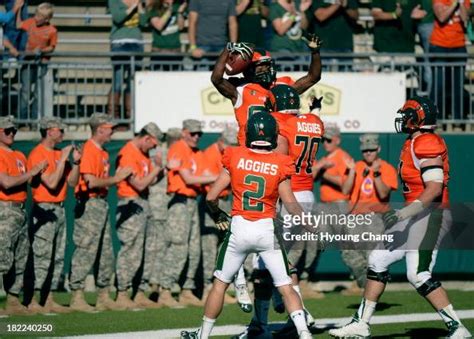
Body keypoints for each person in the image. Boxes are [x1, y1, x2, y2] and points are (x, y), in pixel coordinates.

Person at [329, 96, 472, 339]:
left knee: (417, 274)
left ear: (418, 118)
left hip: (430, 214)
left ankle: (458, 328)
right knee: (377, 259)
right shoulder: (413, 141)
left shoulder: (427, 142)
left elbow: (434, 188)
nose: (403, 119)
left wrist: (404, 213)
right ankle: (361, 323)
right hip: (414, 215)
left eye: (407, 115)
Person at [180, 112, 312, 339]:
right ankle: (304, 333)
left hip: (240, 227)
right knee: (285, 286)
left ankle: (203, 335)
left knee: (220, 285)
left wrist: (219, 215)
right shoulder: (281, 162)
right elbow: (291, 206)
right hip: (266, 229)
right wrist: (311, 225)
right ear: (273, 134)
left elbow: (212, 197)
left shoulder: (235, 155)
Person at [237, 85, 325, 338]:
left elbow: (279, 164)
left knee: (264, 262)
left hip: (287, 194)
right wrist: (316, 108)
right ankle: (288, 313)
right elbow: (315, 118)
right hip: (306, 193)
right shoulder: (313, 122)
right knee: (280, 259)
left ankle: (265, 323)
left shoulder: (278, 123)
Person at [69, 113, 132, 312]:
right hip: (89, 204)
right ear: (99, 129)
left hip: (101, 203)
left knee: (105, 253)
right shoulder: (89, 149)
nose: (113, 132)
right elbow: (90, 181)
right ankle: (77, 295)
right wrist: (117, 178)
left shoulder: (103, 152)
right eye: (110, 128)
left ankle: (103, 295)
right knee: (85, 249)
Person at [211, 36, 322, 147]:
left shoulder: (282, 86)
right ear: (248, 69)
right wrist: (228, 48)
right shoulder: (241, 88)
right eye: (261, 65)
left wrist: (315, 52)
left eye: (268, 64)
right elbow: (216, 79)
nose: (266, 68)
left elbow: (313, 77)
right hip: (249, 149)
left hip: (277, 151)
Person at [159, 119, 217, 307]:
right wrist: (219, 176)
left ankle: (187, 289)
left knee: (193, 249)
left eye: (199, 133)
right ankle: (165, 290)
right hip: (180, 203)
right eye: (192, 133)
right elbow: (189, 178)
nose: (196, 137)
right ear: (184, 132)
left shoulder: (197, 152)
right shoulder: (178, 147)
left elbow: (203, 175)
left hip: (193, 202)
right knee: (179, 246)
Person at [26, 117, 81, 314]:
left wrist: (75, 163)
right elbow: (50, 182)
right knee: (41, 255)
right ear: (49, 131)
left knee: (57, 256)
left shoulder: (59, 154)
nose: (63, 134)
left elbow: (73, 183)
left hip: (59, 208)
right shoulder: (37, 154)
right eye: (60, 130)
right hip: (44, 209)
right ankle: (33, 299)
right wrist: (61, 160)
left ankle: (48, 298)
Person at [339, 133, 398, 296]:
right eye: (365, 151)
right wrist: (351, 171)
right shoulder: (356, 166)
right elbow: (345, 190)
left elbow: (384, 194)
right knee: (348, 254)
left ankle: (371, 294)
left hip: (375, 218)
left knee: (372, 259)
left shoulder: (386, 168)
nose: (369, 153)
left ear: (378, 149)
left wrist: (376, 174)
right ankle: (366, 286)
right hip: (355, 216)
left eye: (372, 150)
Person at [114, 122, 165, 309]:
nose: (154, 147)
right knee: (131, 250)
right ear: (146, 138)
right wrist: (157, 169)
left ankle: (139, 292)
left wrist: (158, 170)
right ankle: (122, 293)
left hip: (144, 203)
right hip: (131, 203)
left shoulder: (142, 154)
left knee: (146, 250)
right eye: (153, 143)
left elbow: (148, 182)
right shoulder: (128, 153)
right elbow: (140, 184)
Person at [0, 116, 47, 315]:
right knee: (2, 254)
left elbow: (31, 183)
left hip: (20, 209)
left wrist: (37, 174)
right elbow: (7, 183)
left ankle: (13, 301)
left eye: (14, 131)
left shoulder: (19, 154)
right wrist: (31, 173)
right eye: (7, 130)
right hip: (4, 208)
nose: (12, 134)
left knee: (21, 257)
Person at [313, 124, 364, 295]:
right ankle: (304, 280)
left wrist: (323, 172)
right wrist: (320, 167)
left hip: (339, 206)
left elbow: (345, 186)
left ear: (337, 140)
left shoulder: (342, 157)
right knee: (314, 242)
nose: (325, 143)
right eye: (323, 140)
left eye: (329, 140)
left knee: (347, 247)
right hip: (325, 205)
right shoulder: (327, 157)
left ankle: (361, 283)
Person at [142, 127, 181, 300]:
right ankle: (150, 285)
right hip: (157, 206)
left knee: (164, 246)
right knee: (155, 247)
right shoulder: (158, 153)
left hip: (166, 206)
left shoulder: (165, 152)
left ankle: (156, 283)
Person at [200, 128, 238, 304]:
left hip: (225, 199)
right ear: (221, 142)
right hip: (211, 202)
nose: (232, 148)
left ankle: (221, 285)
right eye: (230, 145)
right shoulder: (210, 153)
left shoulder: (228, 154)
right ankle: (208, 287)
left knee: (225, 243)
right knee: (210, 244)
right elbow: (207, 178)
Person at [17, 2, 58, 124]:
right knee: (25, 92)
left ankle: (35, 122)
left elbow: (52, 47)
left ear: (47, 19)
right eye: (36, 14)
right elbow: (19, 25)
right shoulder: (30, 22)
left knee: (38, 94)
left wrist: (41, 51)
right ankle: (22, 121)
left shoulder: (52, 30)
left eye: (40, 16)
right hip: (28, 62)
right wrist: (18, 9)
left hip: (42, 63)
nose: (36, 17)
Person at [430, 0, 470, 121]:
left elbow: (465, 19)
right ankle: (437, 119)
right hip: (440, 46)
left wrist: (461, 4)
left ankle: (457, 120)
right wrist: (454, 4)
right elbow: (442, 17)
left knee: (458, 86)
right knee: (439, 85)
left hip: (458, 46)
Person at [108, 0, 147, 122]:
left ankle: (130, 117)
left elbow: (144, 22)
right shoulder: (114, 1)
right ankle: (114, 117)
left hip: (136, 43)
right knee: (118, 81)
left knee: (132, 82)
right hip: (119, 43)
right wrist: (133, 6)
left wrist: (140, 7)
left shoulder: (139, 2)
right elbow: (118, 18)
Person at [370, 0, 426, 71]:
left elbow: (419, 12)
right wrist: (394, 15)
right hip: (385, 47)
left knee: (408, 80)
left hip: (407, 48)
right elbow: (375, 14)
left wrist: (419, 16)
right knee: (386, 80)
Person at [310, 0, 359, 70]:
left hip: (345, 46)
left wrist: (346, 7)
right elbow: (320, 16)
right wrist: (338, 3)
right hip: (323, 47)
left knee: (346, 78)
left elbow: (356, 16)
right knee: (323, 78)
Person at [147, 0, 187, 71]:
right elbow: (159, 26)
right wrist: (169, 11)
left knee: (175, 79)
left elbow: (181, 27)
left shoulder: (177, 7)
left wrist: (179, 13)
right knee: (157, 79)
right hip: (159, 51)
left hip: (175, 51)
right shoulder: (154, 8)